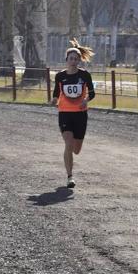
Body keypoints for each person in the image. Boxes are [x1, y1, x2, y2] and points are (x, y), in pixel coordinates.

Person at [50, 39, 95, 189]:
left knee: (76, 149)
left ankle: (72, 160)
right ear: (66, 60)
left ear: (79, 60)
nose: (73, 61)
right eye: (71, 59)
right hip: (65, 113)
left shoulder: (84, 75)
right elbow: (57, 92)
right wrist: (54, 100)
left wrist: (86, 100)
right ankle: (70, 177)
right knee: (68, 144)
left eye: (76, 59)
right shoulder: (60, 76)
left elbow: (92, 93)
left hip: (80, 114)